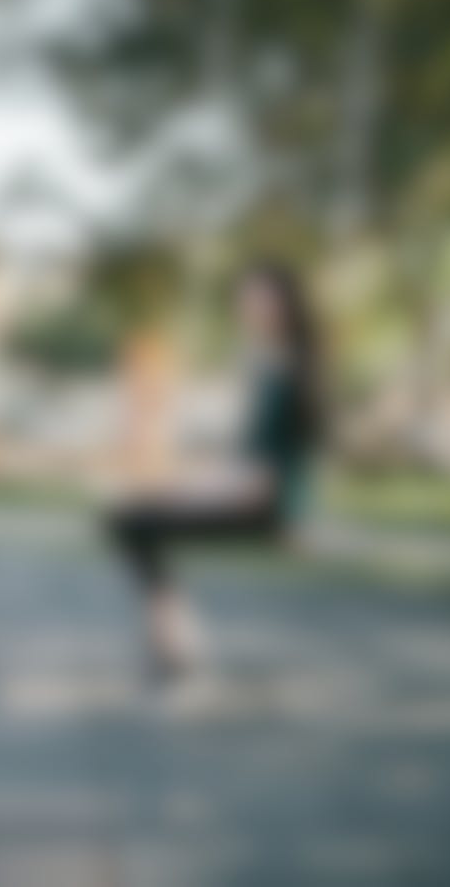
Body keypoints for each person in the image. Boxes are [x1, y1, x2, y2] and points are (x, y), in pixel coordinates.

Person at [105, 262, 324, 678]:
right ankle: (174, 635)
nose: (250, 310)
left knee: (130, 520)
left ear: (285, 306)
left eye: (262, 301)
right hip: (252, 491)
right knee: (130, 515)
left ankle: (176, 638)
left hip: (265, 505)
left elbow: (272, 466)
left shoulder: (287, 367)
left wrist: (204, 492)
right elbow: (245, 454)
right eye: (245, 301)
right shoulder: (265, 361)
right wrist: (189, 485)